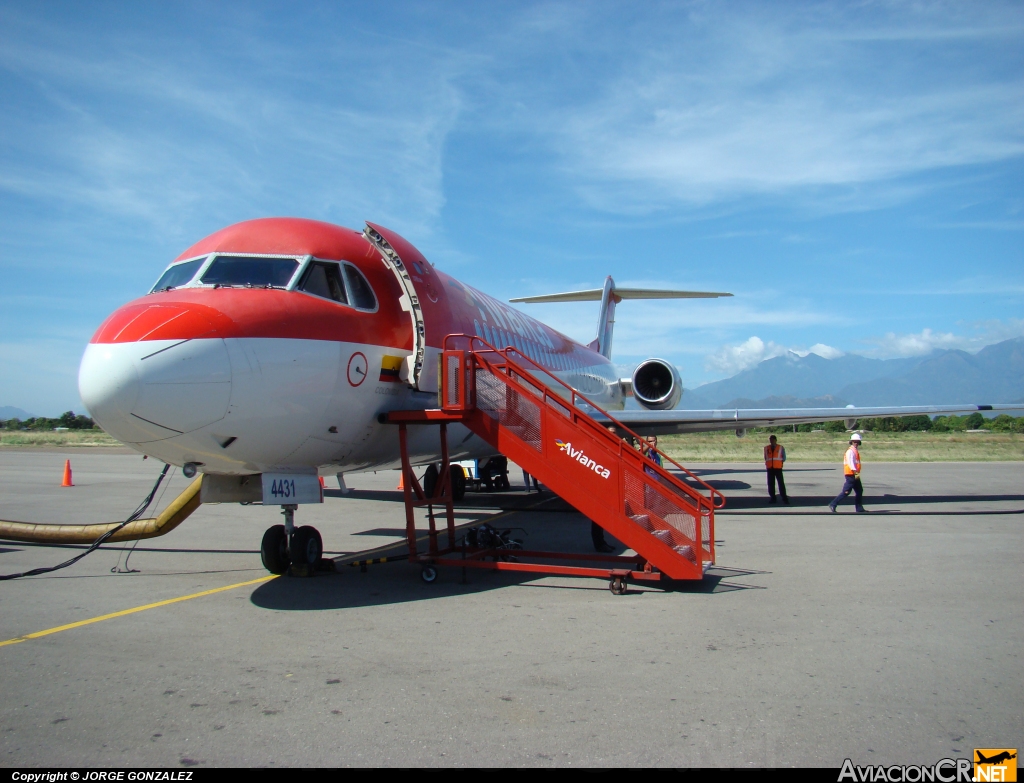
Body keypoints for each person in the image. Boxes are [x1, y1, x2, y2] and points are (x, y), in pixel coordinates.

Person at [830, 433, 866, 513]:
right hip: (851, 474)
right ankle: (833, 504)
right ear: (851, 442)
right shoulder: (850, 451)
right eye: (854, 442)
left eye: (857, 442)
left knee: (859, 490)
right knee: (846, 492)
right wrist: (855, 471)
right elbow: (851, 463)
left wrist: (856, 473)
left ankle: (859, 508)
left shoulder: (855, 451)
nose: (856, 443)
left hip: (855, 474)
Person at [764, 435, 789, 504]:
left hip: (778, 468)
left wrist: (778, 462)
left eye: (772, 439)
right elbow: (766, 457)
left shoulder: (780, 448)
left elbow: (784, 458)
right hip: (770, 468)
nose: (771, 441)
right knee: (771, 484)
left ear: (775, 440)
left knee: (781, 484)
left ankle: (784, 498)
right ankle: (773, 498)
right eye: (770, 440)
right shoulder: (767, 448)